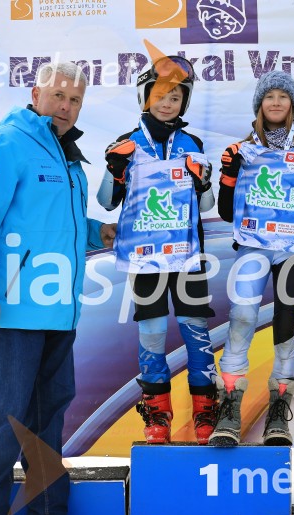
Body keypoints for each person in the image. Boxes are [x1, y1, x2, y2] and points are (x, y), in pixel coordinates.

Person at [0, 61, 116, 515]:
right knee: (6, 419)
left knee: (47, 422)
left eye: (75, 100)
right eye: (59, 95)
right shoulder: (4, 145)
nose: (66, 106)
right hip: (9, 312)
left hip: (57, 311)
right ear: (35, 93)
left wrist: (98, 232)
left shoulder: (66, 155)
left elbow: (53, 225)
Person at [208, 70, 294, 446]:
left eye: (283, 96)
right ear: (259, 105)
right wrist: (229, 174)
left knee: (287, 320)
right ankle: (230, 402)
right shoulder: (245, 150)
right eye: (270, 96)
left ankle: (279, 406)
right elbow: (228, 212)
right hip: (254, 244)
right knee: (242, 315)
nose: (277, 102)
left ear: (293, 105)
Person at [97, 55, 218, 445]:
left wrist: (203, 183)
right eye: (160, 95)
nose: (168, 103)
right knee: (152, 334)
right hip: (145, 259)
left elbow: (206, 205)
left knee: (196, 331)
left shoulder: (192, 144)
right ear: (145, 96)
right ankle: (158, 413)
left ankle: (205, 409)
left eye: (176, 97)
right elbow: (105, 202)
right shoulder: (127, 144)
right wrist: (114, 170)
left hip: (186, 257)